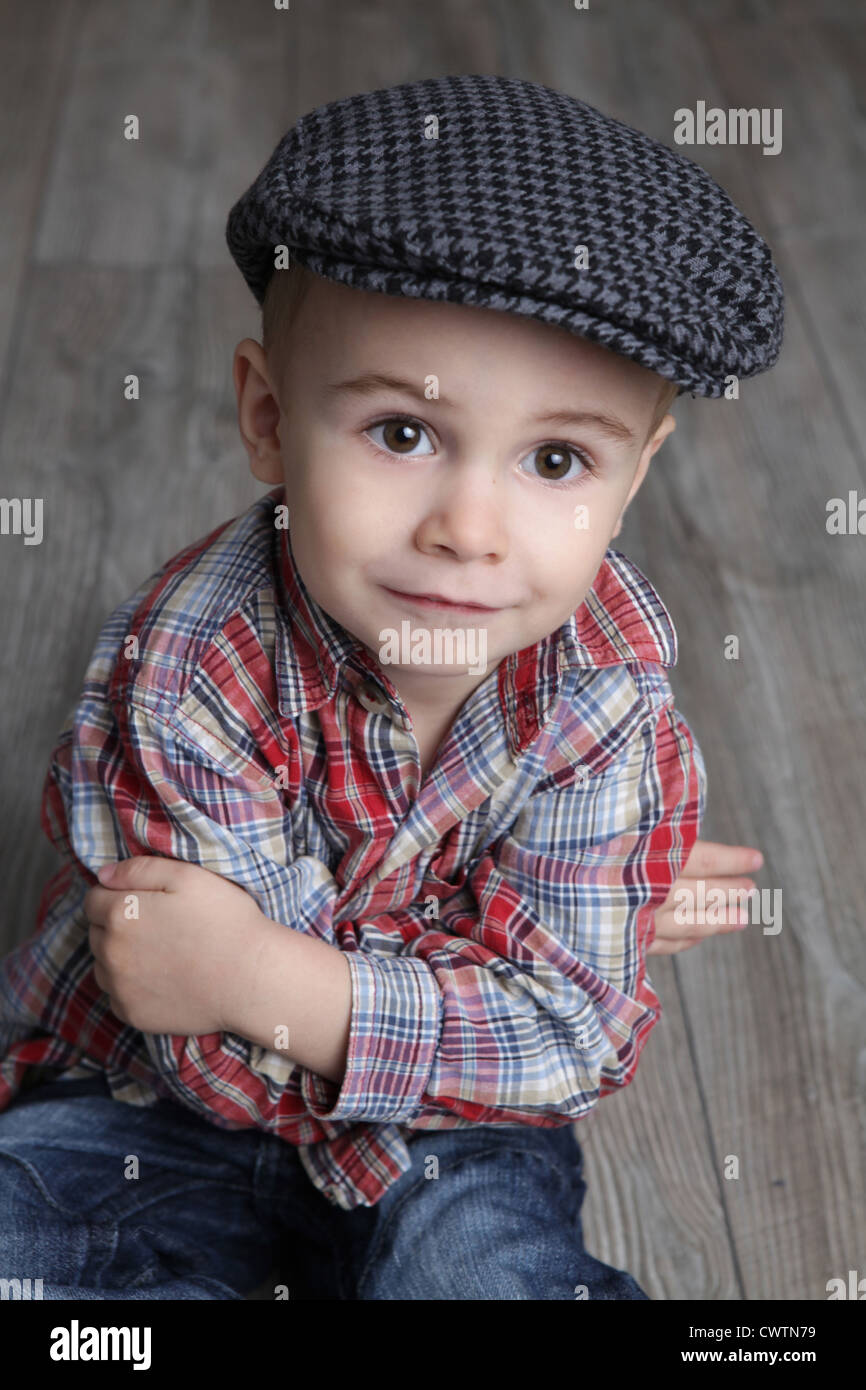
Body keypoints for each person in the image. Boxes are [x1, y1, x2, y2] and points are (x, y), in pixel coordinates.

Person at [0, 73, 782, 1300]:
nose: (467, 529)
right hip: (142, 1111)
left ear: (631, 481)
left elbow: (566, 1041)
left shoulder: (606, 683)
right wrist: (525, 925)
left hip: (445, 1142)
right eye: (402, 434)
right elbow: (198, 1038)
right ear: (267, 416)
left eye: (556, 457)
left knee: (480, 1276)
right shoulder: (189, 670)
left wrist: (260, 972)